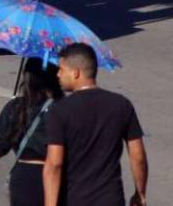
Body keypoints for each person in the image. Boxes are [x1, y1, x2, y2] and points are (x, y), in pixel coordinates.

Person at [43, 43, 147, 206]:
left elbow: (55, 164)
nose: (57, 74)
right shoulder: (121, 105)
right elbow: (138, 156)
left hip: (74, 199)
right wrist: (140, 193)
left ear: (76, 73)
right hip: (111, 199)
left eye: (61, 69)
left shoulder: (59, 111)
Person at [0, 58, 64, 206]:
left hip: (24, 176)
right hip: (56, 175)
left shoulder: (16, 107)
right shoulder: (62, 108)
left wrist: (11, 110)